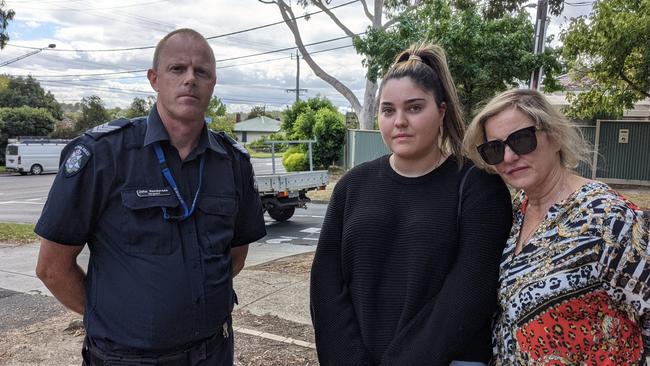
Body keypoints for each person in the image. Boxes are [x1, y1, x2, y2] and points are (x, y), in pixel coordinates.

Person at [35, 28, 266, 366]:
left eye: (201, 72)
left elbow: (235, 256)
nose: (190, 79)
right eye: (178, 69)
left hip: (213, 352)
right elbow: (52, 268)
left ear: (213, 85)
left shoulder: (233, 162)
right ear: (154, 79)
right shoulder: (103, 155)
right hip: (125, 358)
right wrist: (113, 316)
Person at [310, 42, 513, 365]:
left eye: (415, 108)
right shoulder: (352, 186)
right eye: (388, 110)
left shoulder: (478, 187)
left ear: (441, 111)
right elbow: (326, 286)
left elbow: (467, 296)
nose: (399, 121)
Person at [463, 88, 650, 365]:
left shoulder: (608, 218)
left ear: (555, 136)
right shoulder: (516, 211)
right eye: (495, 149)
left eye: (522, 139)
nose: (509, 156)